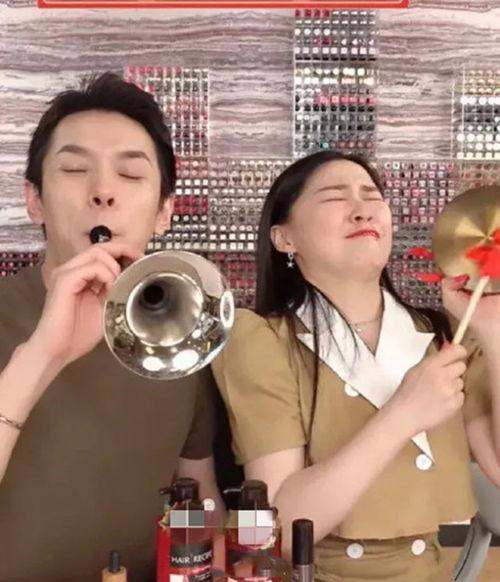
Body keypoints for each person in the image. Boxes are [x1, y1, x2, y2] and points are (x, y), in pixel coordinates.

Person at [212, 150, 500, 581]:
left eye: (372, 195)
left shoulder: (443, 334)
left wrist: (492, 332)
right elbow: (278, 531)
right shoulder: (262, 341)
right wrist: (402, 416)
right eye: (334, 196)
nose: (362, 209)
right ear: (284, 238)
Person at [0, 72, 223, 581]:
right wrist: (42, 354)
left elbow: (198, 494)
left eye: (130, 174)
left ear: (165, 211)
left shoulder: (187, 329)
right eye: (75, 169)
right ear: (34, 200)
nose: (103, 192)